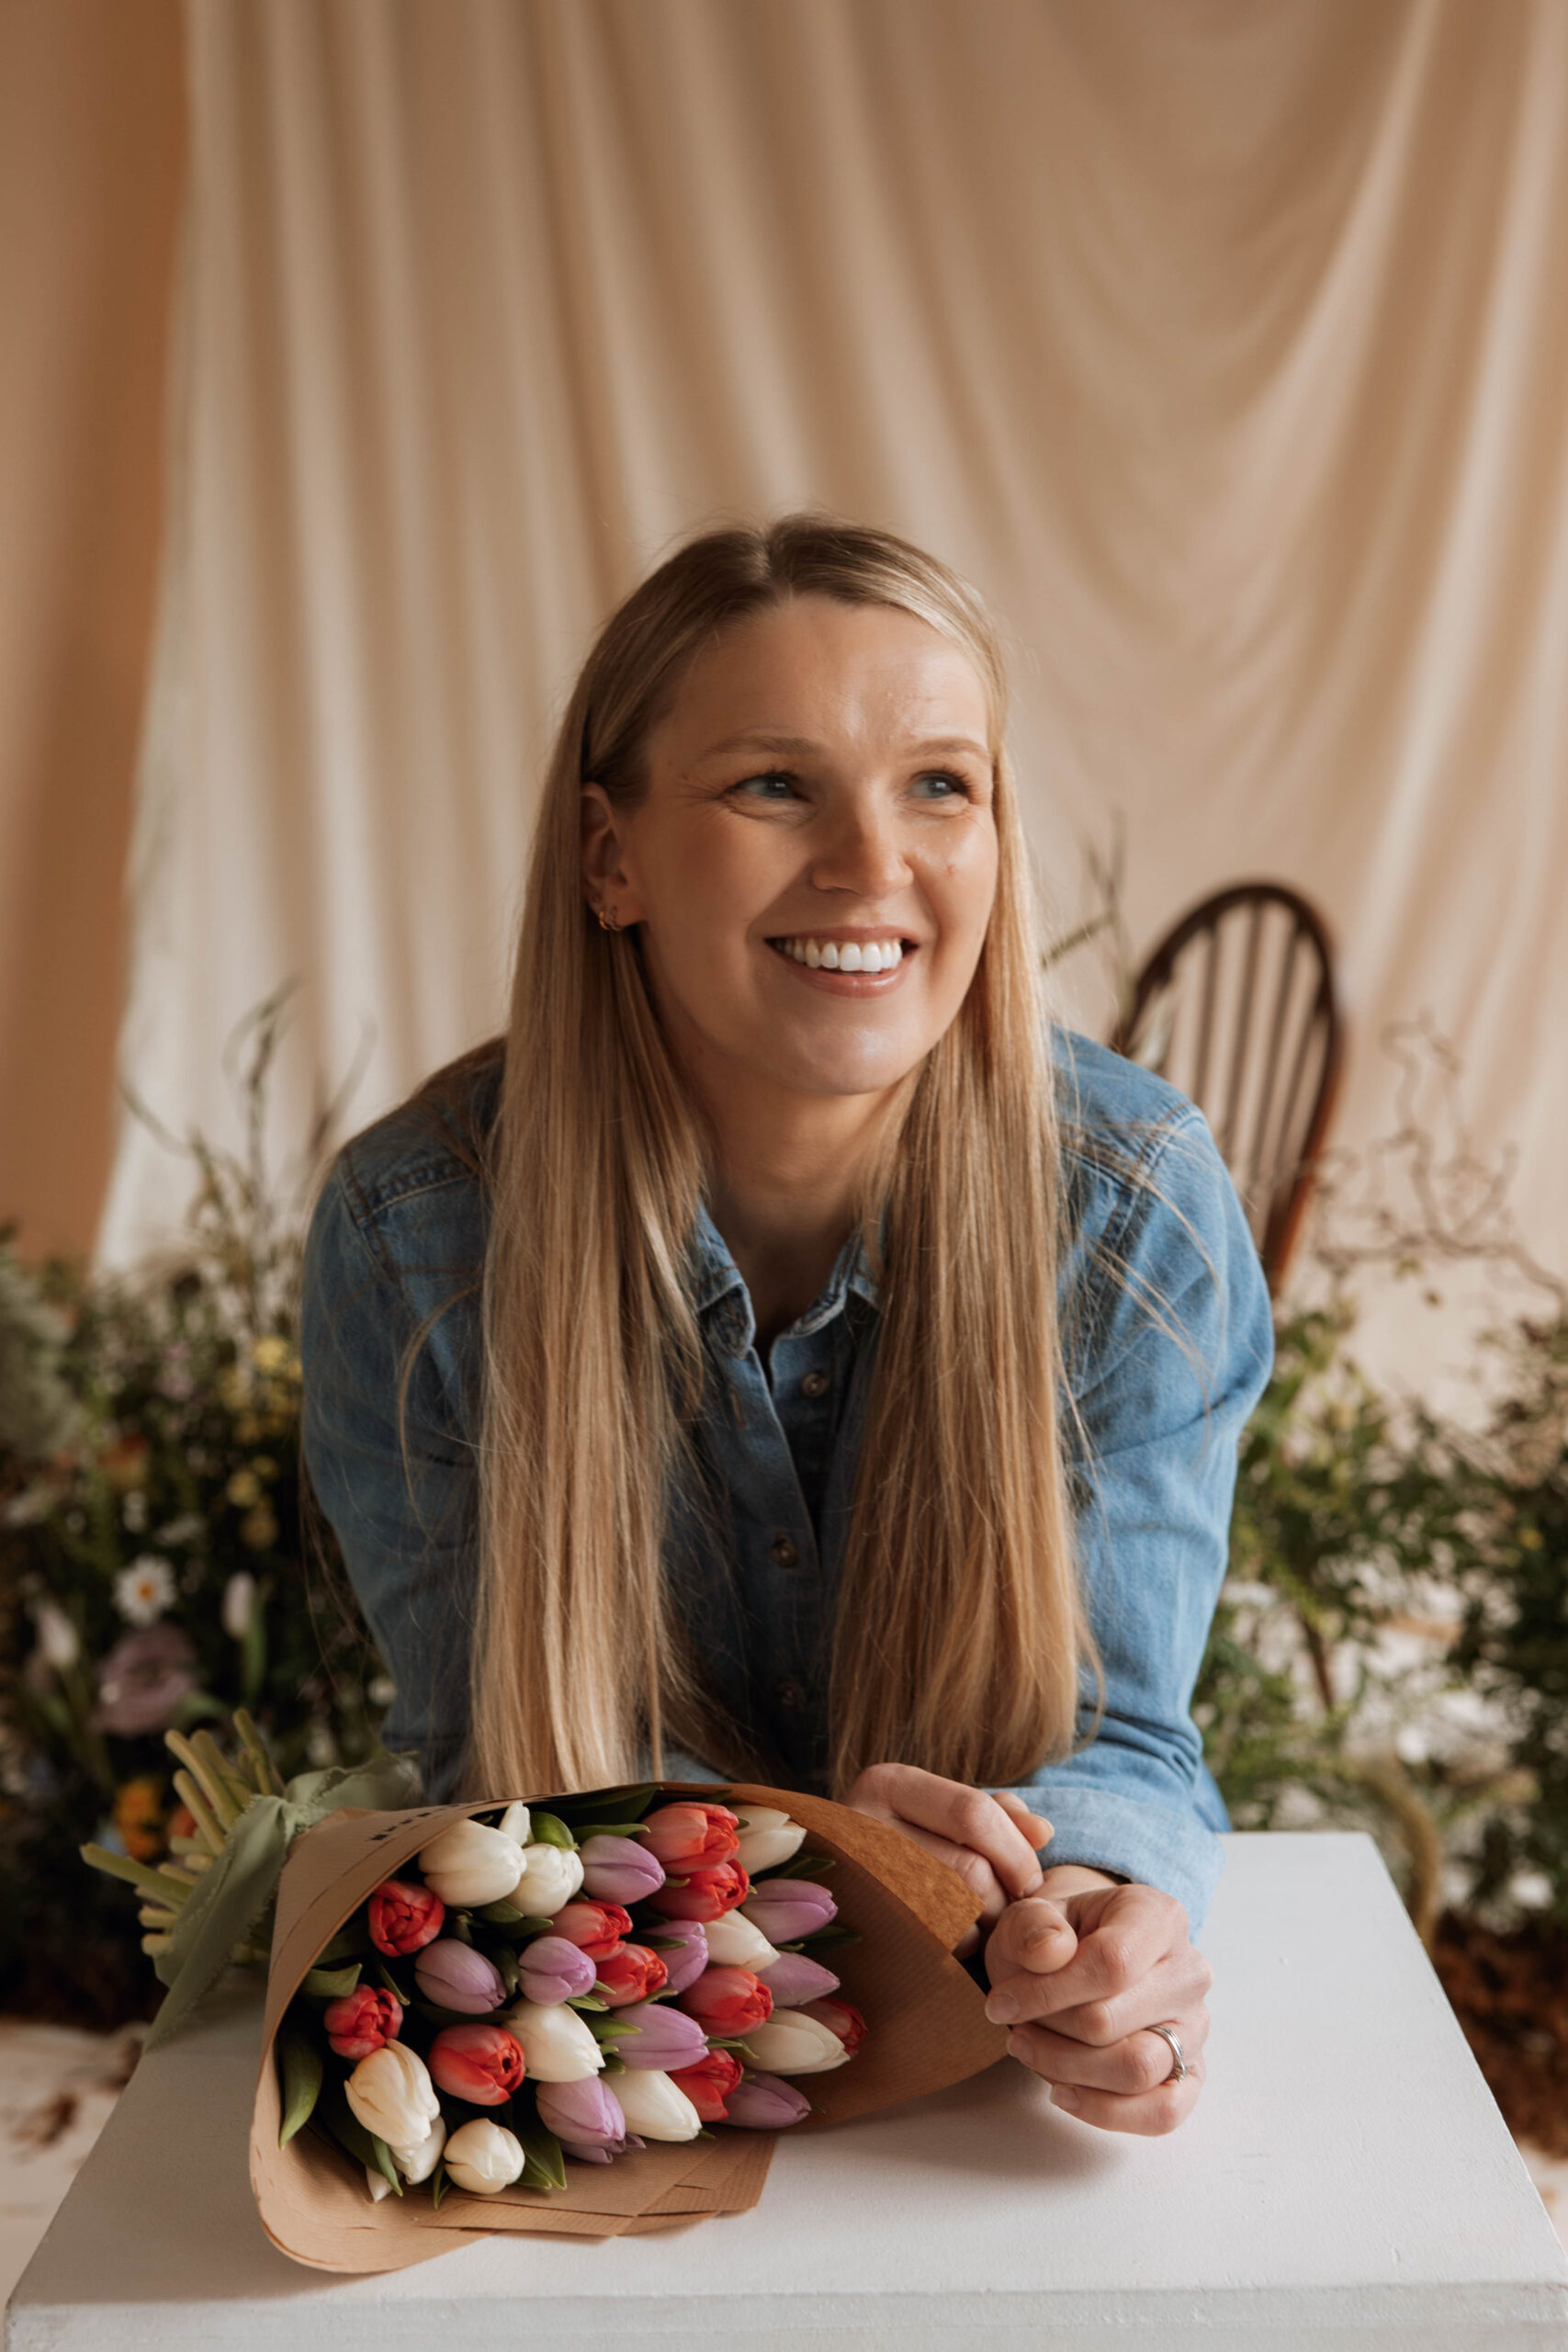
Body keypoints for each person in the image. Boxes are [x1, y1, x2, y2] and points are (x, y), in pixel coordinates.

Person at [300, 515, 1273, 2139]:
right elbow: (505, 1767)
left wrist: (1095, 1922)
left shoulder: (1130, 1204)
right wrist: (874, 1881)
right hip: (624, 2075)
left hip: (972, 2103)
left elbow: (1115, 1730)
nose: (872, 865)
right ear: (609, 857)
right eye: (774, 785)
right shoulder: (419, 1240)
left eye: (939, 785)